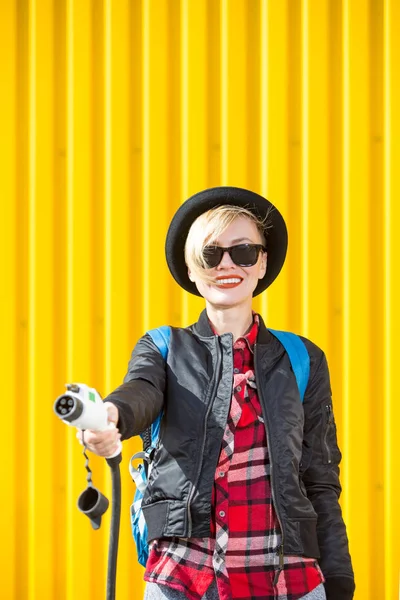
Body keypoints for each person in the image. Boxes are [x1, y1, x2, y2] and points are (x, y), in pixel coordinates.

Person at [78, 187, 355, 600]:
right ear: (192, 269)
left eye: (243, 252)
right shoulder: (163, 347)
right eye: (211, 255)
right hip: (182, 576)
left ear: (262, 263)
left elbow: (320, 480)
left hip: (288, 579)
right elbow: (141, 391)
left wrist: (340, 580)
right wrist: (111, 415)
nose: (227, 265)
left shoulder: (303, 358)